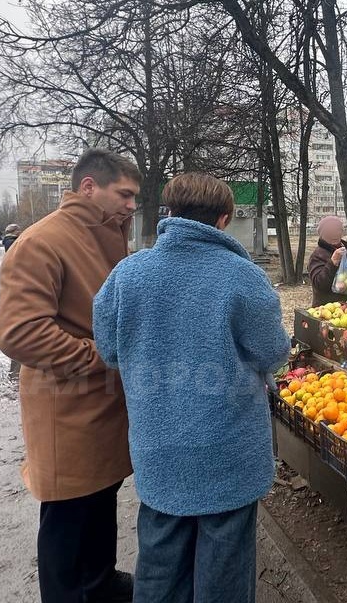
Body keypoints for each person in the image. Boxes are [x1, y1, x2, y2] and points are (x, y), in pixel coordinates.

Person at [92, 172, 290, 602]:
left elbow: (108, 349)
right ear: (223, 219)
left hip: (157, 447)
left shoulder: (128, 275)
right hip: (228, 452)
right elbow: (274, 352)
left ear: (171, 212)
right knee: (224, 569)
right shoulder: (242, 276)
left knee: (160, 565)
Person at [0, 148, 140, 603]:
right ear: (88, 187)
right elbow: (20, 332)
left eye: (136, 197)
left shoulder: (103, 234)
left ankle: (100, 583)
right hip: (68, 413)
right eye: (125, 194)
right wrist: (104, 356)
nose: (132, 205)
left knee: (98, 508)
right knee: (68, 523)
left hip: (99, 408)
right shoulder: (43, 241)